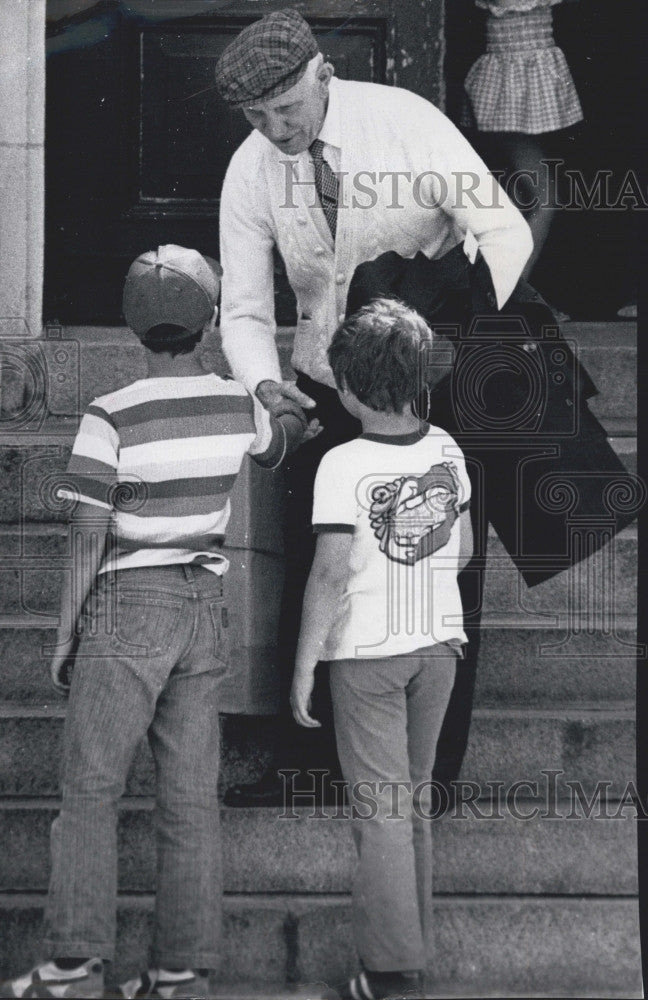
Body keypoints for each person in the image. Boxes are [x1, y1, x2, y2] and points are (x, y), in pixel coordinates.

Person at [214, 8, 532, 808]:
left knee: (440, 573)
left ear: (323, 73)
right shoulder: (251, 169)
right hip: (324, 382)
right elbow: (246, 308)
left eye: (286, 109)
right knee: (319, 570)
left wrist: (468, 333)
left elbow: (504, 230)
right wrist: (262, 386)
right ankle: (312, 764)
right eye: (257, 117)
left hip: (433, 378)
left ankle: (432, 777)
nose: (275, 129)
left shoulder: (405, 122)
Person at [0, 245, 305, 1000]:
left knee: (92, 788)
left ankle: (72, 966)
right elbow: (280, 440)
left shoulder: (111, 415)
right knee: (191, 799)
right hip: (204, 608)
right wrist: (288, 401)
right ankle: (181, 971)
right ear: (207, 325)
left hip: (126, 610)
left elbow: (85, 538)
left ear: (134, 328)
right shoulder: (238, 405)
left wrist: (66, 632)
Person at [290, 299, 473, 1000]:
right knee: (412, 803)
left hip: (367, 651)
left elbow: (330, 572)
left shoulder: (341, 463)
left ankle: (392, 971)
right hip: (439, 648)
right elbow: (458, 552)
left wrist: (306, 661)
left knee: (382, 810)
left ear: (350, 388)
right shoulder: (448, 450)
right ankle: (412, 953)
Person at [462, 0, 584, 279]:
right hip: (511, 98)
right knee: (546, 201)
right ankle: (511, 292)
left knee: (523, 199)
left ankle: (506, 290)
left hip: (515, 96)